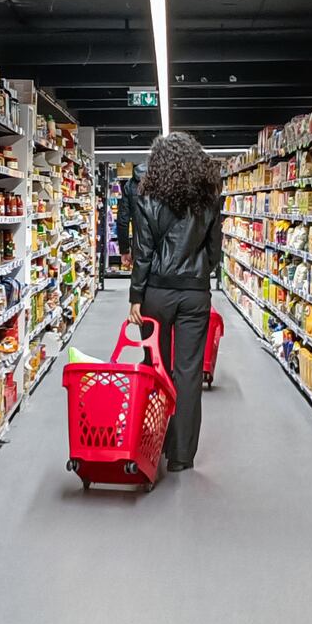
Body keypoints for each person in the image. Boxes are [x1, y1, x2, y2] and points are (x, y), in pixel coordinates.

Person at [127, 132, 222, 472]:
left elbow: (143, 250)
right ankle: (181, 456)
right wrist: (198, 276)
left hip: (157, 292)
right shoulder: (209, 195)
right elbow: (214, 250)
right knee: (189, 372)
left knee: (157, 367)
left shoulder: (147, 194)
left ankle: (156, 440)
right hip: (195, 294)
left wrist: (136, 295)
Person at [115, 163, 145, 272]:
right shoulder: (164, 182)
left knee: (139, 279)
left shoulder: (130, 185)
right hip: (165, 246)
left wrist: (125, 250)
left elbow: (123, 220)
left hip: (140, 245)